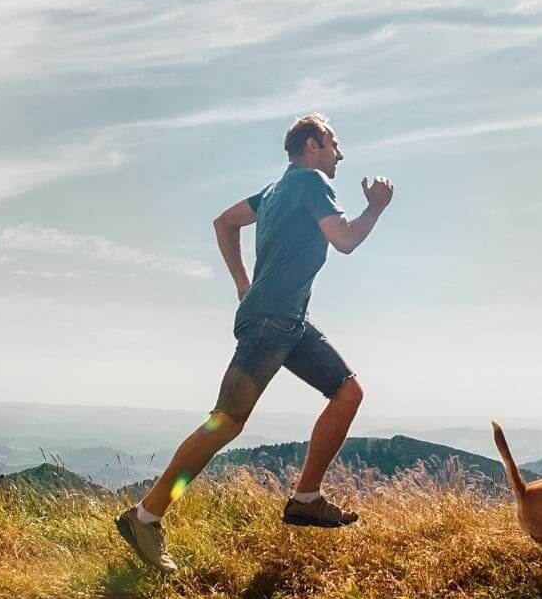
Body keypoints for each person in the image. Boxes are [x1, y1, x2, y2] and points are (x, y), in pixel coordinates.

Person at [116, 113, 393, 571]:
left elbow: (224, 222)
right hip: (269, 323)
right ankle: (145, 516)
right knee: (224, 423)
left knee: (348, 392)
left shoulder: (274, 190)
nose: (339, 153)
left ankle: (306, 497)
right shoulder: (309, 183)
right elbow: (344, 240)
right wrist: (377, 206)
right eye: (333, 144)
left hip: (287, 322)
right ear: (310, 147)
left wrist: (244, 284)